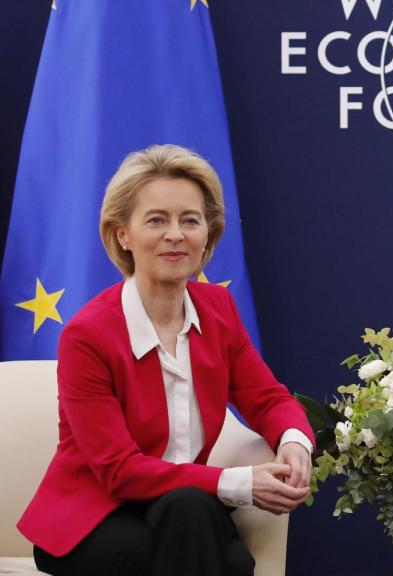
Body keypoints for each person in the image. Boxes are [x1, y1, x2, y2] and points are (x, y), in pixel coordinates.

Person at [18, 145, 316, 576]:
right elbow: (119, 472)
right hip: (93, 519)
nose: (175, 234)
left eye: (190, 220)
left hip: (184, 506)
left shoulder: (218, 309)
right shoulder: (87, 336)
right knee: (225, 558)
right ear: (123, 234)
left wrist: (293, 442)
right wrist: (241, 484)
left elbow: (268, 399)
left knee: (190, 511)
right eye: (156, 220)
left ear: (207, 235)